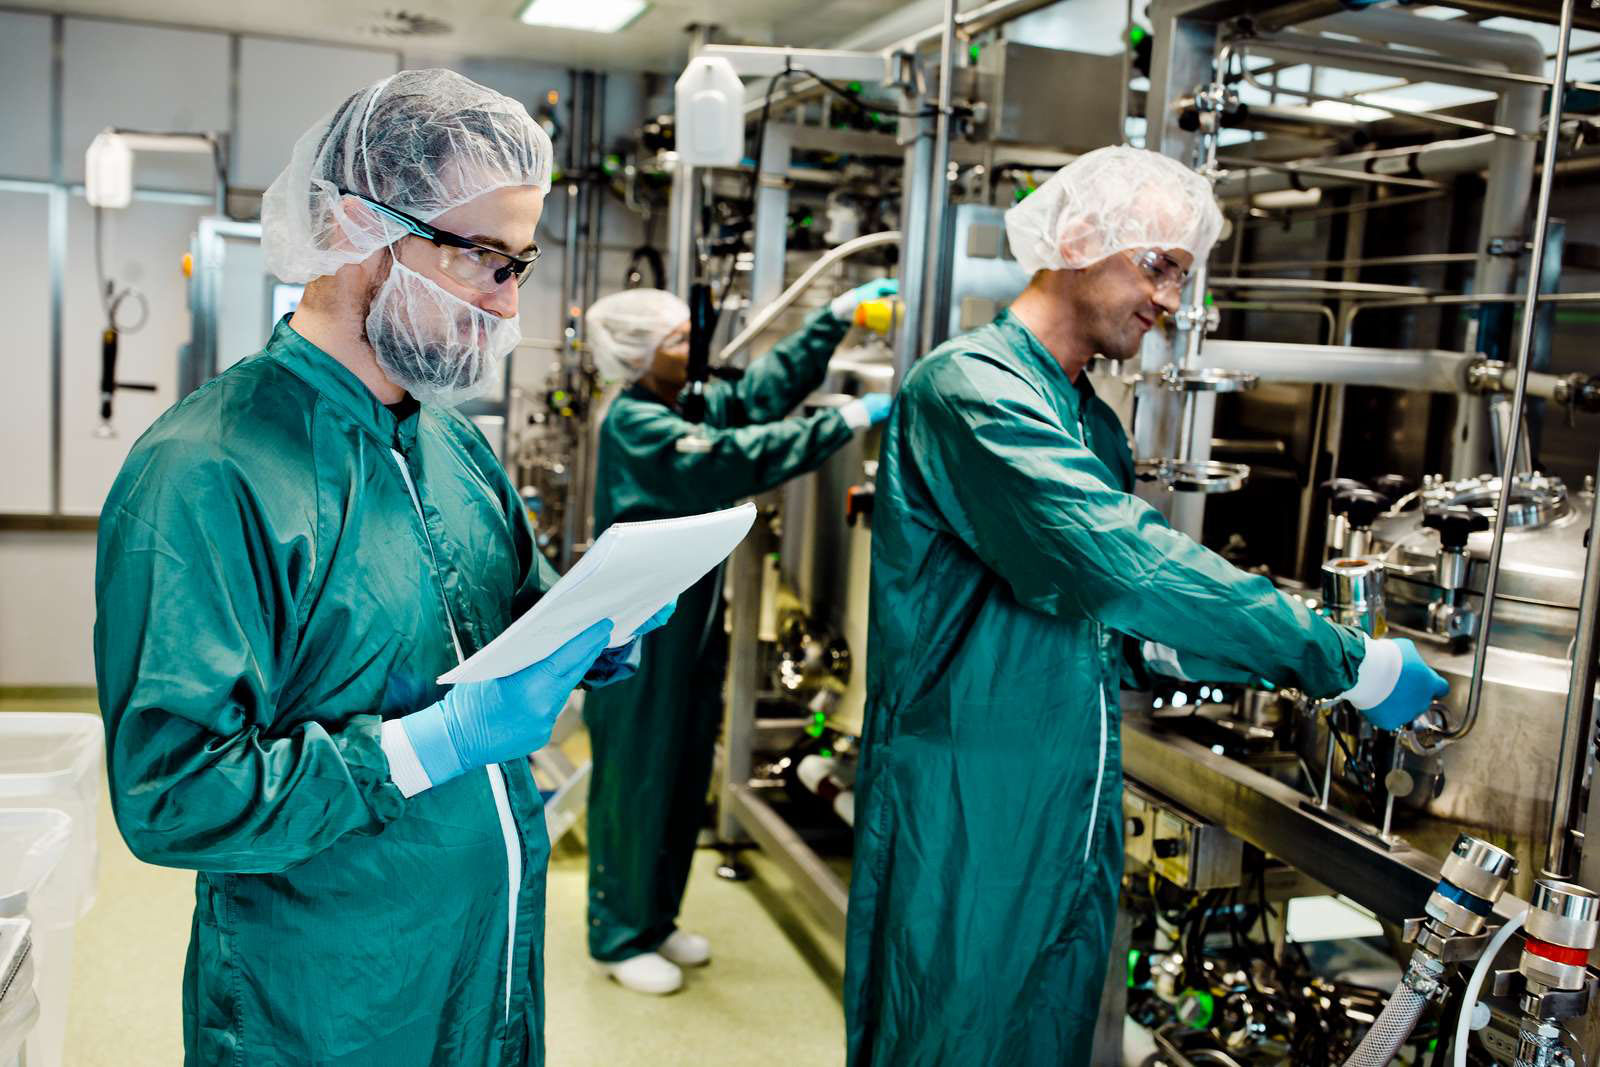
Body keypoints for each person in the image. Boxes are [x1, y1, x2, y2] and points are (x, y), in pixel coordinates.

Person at [94, 69, 672, 1066]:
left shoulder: (452, 448)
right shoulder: (208, 469)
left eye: (521, 264)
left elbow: (510, 620)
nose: (509, 308)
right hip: (325, 1006)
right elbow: (173, 794)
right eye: (490, 260)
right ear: (365, 228)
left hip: (481, 972)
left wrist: (594, 630)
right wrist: (432, 743)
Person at [842, 145, 1449, 1065]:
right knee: (951, 1033)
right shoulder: (970, 390)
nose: (1169, 301)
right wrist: (1337, 656)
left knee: (1045, 1033)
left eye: (1181, 275)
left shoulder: (1089, 419)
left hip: (1070, 802)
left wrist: (1190, 654)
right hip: (971, 803)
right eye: (1157, 265)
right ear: (1079, 241)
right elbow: (1118, 560)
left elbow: (1102, 624)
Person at [579, 281, 895, 994]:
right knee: (638, 782)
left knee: (683, 773)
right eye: (678, 342)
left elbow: (754, 398)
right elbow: (730, 456)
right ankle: (617, 933)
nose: (695, 350)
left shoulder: (680, 404)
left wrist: (830, 324)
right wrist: (844, 419)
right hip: (638, 628)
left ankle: (655, 919)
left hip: (689, 623)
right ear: (636, 358)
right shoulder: (635, 422)